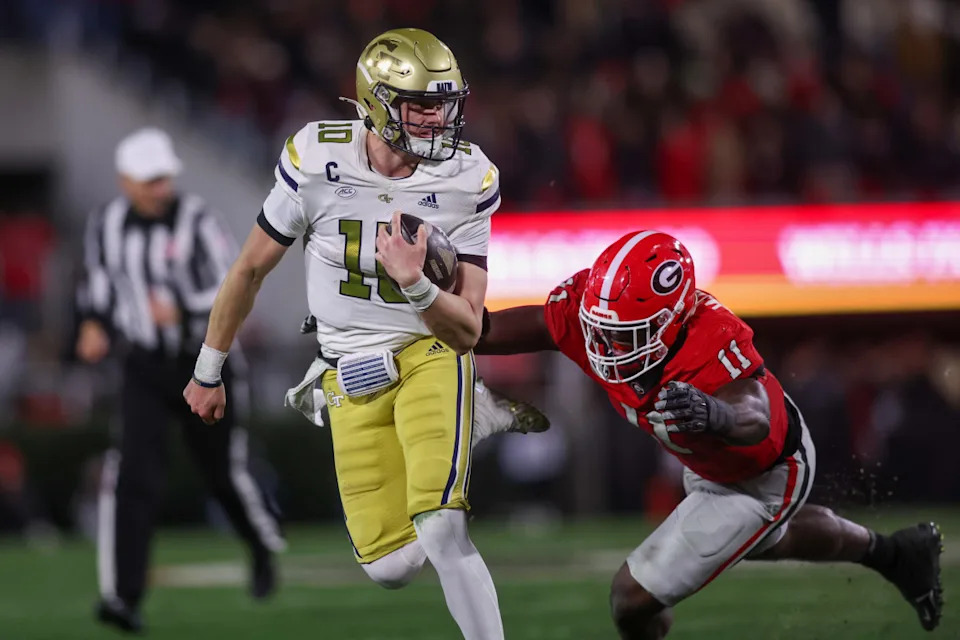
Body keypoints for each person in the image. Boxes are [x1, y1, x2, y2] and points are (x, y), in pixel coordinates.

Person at [184, 29, 519, 639]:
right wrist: (208, 369)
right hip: (347, 366)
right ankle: (469, 425)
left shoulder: (469, 176)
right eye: (420, 104)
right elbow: (251, 268)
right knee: (390, 567)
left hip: (431, 350)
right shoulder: (316, 159)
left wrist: (417, 285)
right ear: (376, 102)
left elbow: (468, 329)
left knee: (443, 528)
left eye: (443, 103)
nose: (437, 118)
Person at [474, 230, 944, 638]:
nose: (606, 348)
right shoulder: (594, 313)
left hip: (766, 469)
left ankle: (893, 554)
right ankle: (896, 553)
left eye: (626, 336)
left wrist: (713, 413)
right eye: (601, 331)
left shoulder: (711, 336)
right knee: (770, 542)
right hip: (708, 465)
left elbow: (753, 411)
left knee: (631, 598)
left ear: (672, 320)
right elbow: (499, 328)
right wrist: (426, 305)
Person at [77, 127, 285, 633]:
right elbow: (98, 284)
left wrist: (181, 309)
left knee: (223, 473)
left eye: (163, 178)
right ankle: (123, 597)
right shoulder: (104, 224)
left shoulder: (198, 220)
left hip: (203, 361)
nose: (159, 188)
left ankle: (261, 548)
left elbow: (229, 283)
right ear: (125, 181)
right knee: (133, 478)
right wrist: (93, 324)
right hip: (144, 365)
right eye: (148, 180)